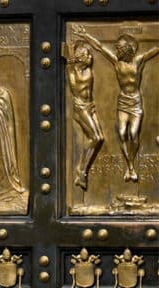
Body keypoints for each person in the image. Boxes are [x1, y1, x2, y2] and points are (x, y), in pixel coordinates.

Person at [73, 25, 159, 182]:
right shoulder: (116, 62)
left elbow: (153, 51)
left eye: (119, 48)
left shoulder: (138, 61)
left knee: (133, 134)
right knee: (121, 133)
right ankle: (130, 167)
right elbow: (100, 47)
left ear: (127, 50)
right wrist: (85, 36)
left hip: (135, 102)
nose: (116, 50)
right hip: (123, 101)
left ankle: (131, 166)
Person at [64, 41, 104, 190]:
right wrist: (69, 50)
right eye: (87, 55)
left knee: (100, 138)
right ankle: (81, 171)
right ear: (80, 57)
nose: (91, 57)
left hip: (90, 105)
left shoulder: (87, 69)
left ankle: (82, 171)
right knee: (95, 138)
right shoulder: (72, 70)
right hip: (80, 108)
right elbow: (68, 56)